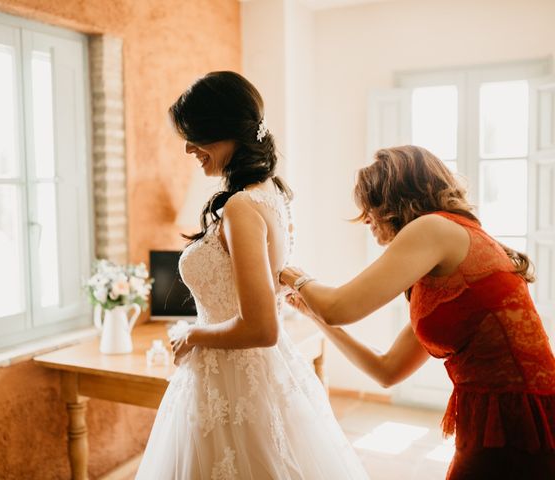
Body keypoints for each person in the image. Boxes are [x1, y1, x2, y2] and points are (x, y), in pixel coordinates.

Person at [135, 71, 368, 479]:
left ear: (224, 131)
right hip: (247, 374)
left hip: (233, 378)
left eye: (196, 136)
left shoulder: (242, 206)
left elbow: (261, 328)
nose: (189, 148)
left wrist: (191, 334)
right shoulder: (271, 192)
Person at [280, 145, 555, 479]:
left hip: (517, 416)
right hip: (490, 413)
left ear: (396, 199)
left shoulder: (434, 228)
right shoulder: (441, 270)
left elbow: (340, 307)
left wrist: (291, 274)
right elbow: (387, 371)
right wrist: (314, 316)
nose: (366, 218)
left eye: (371, 205)